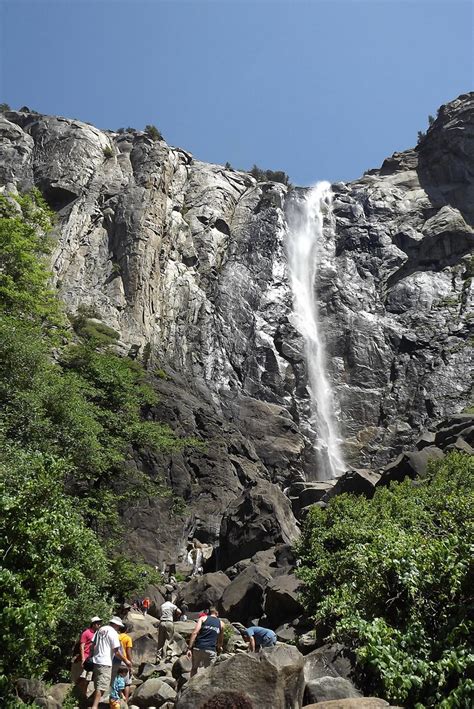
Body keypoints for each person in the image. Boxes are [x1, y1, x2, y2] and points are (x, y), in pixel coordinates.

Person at [90, 616, 131, 709]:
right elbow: (116, 651)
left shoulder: (100, 630)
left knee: (98, 684)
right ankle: (94, 706)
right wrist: (126, 660)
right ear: (116, 625)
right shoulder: (113, 633)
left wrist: (92, 656)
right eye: (119, 626)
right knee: (102, 687)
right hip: (105, 662)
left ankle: (95, 704)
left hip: (96, 661)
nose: (119, 628)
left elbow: (92, 645)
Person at [187, 607, 224, 677]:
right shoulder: (221, 623)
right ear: (217, 613)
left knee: (194, 668)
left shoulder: (203, 618)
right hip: (211, 650)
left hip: (198, 648)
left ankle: (190, 686)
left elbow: (195, 633)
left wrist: (189, 648)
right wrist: (219, 647)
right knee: (209, 672)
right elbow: (220, 639)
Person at [71, 616, 102, 698]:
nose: (99, 625)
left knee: (88, 679)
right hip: (85, 658)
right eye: (98, 623)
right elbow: (82, 646)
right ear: (93, 624)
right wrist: (83, 659)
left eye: (100, 623)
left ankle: (83, 696)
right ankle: (74, 694)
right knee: (81, 677)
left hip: (91, 660)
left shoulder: (97, 634)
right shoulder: (86, 633)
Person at [111, 622, 133, 701]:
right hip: (124, 661)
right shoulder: (127, 638)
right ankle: (125, 700)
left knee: (115, 679)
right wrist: (130, 663)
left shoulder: (117, 636)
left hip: (115, 660)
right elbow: (128, 651)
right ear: (127, 629)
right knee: (127, 682)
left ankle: (115, 697)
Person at [157, 593, 181, 659]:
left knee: (160, 640)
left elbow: (159, 614)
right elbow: (179, 611)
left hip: (162, 622)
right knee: (169, 639)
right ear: (171, 599)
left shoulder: (162, 605)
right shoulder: (172, 605)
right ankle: (168, 654)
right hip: (169, 622)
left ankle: (158, 656)